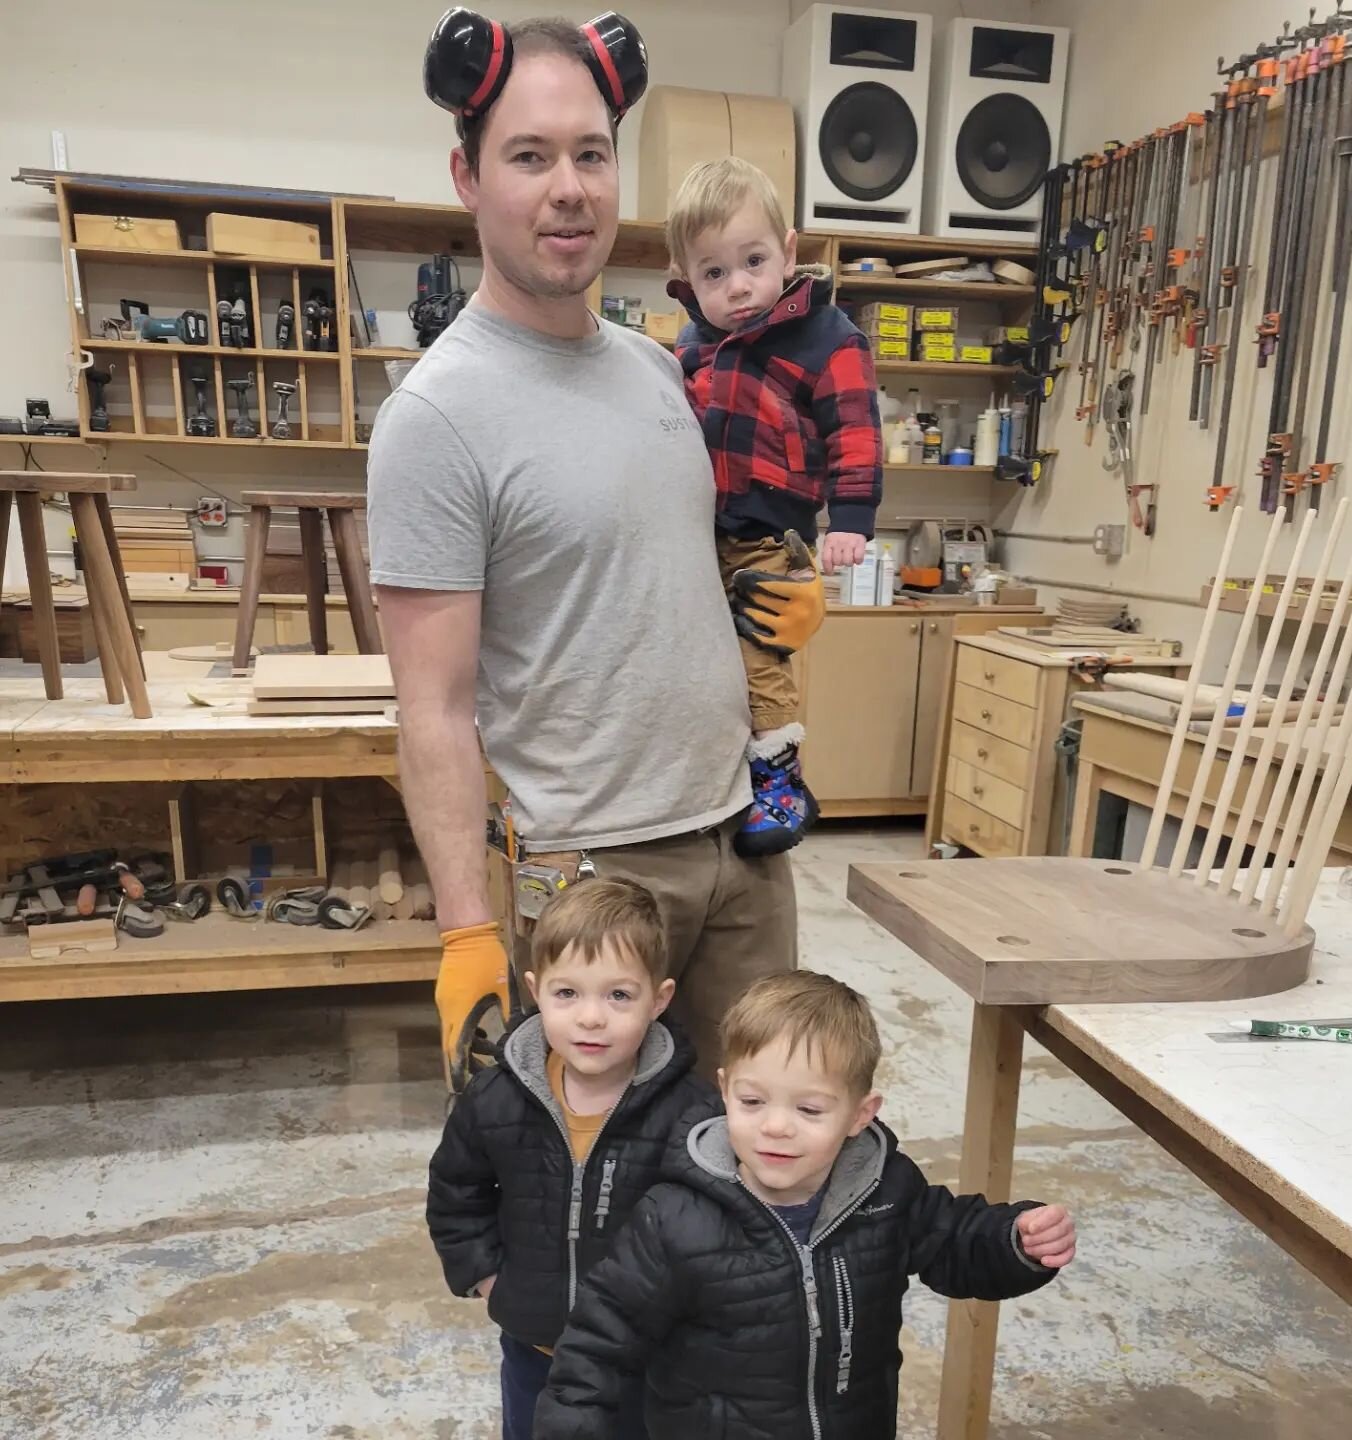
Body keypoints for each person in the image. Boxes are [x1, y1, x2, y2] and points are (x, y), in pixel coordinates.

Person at [367, 10, 822, 1096]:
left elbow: (676, 572)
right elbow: (431, 708)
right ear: (468, 177)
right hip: (593, 883)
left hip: (741, 846)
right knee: (595, 1200)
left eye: (590, 153)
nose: (567, 186)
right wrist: (467, 934)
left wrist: (774, 591)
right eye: (529, 156)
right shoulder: (437, 416)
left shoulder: (664, 371)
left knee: (759, 1168)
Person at [534, 970, 1076, 1440]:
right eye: (752, 1101)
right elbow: (600, 1340)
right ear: (724, 1091)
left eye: (809, 1109)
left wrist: (1016, 1241)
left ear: (861, 1115)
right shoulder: (674, 1219)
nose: (775, 1125)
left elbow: (958, 1241)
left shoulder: (885, 1194)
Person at [427, 877, 718, 1440]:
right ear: (536, 991)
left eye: (618, 995)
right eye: (568, 994)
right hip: (536, 1349)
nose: (591, 1018)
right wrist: (490, 1281)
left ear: (659, 999)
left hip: (645, 1356)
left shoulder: (692, 1112)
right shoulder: (497, 1099)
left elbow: (713, 1225)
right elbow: (454, 1194)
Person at [666, 157, 883, 857]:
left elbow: (855, 428)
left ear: (788, 253)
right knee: (705, 662)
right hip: (703, 532)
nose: (737, 288)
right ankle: (721, 772)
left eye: (753, 261)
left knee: (762, 656)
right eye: (713, 274)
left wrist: (850, 520)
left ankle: (782, 781)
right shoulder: (695, 343)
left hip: (771, 533)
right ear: (689, 279)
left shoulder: (826, 336)